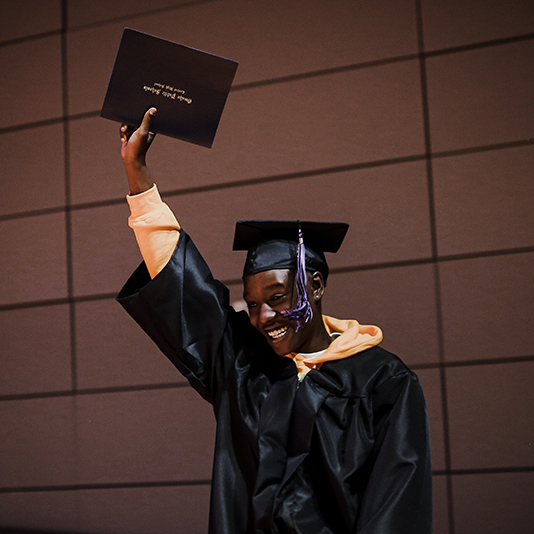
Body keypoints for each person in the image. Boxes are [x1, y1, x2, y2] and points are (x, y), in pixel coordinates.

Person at [116, 108, 433, 533]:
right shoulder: (244, 366)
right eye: (251, 303)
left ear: (316, 286)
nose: (264, 317)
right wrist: (138, 174)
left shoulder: (383, 381)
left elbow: (396, 504)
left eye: (278, 298)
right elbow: (183, 286)